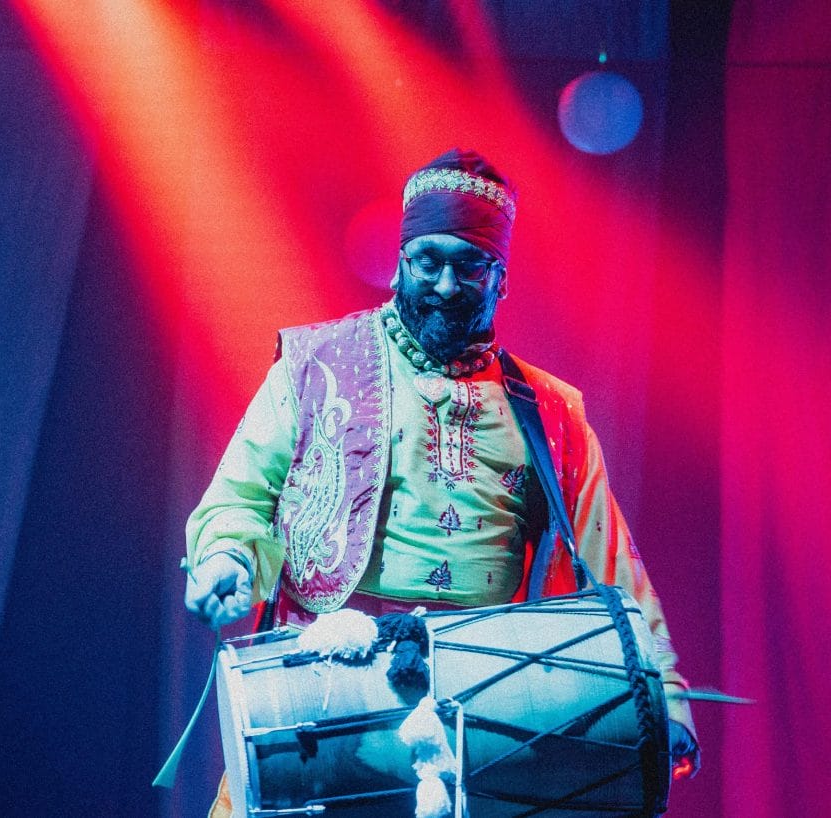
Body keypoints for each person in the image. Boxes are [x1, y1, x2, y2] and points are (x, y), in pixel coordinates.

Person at [184, 149, 699, 815]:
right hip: (322, 676)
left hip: (485, 703)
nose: (447, 284)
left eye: (469, 265)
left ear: (501, 277)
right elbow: (242, 494)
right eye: (429, 261)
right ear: (401, 260)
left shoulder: (549, 410)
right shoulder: (315, 366)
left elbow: (610, 563)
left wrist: (664, 695)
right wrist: (227, 555)